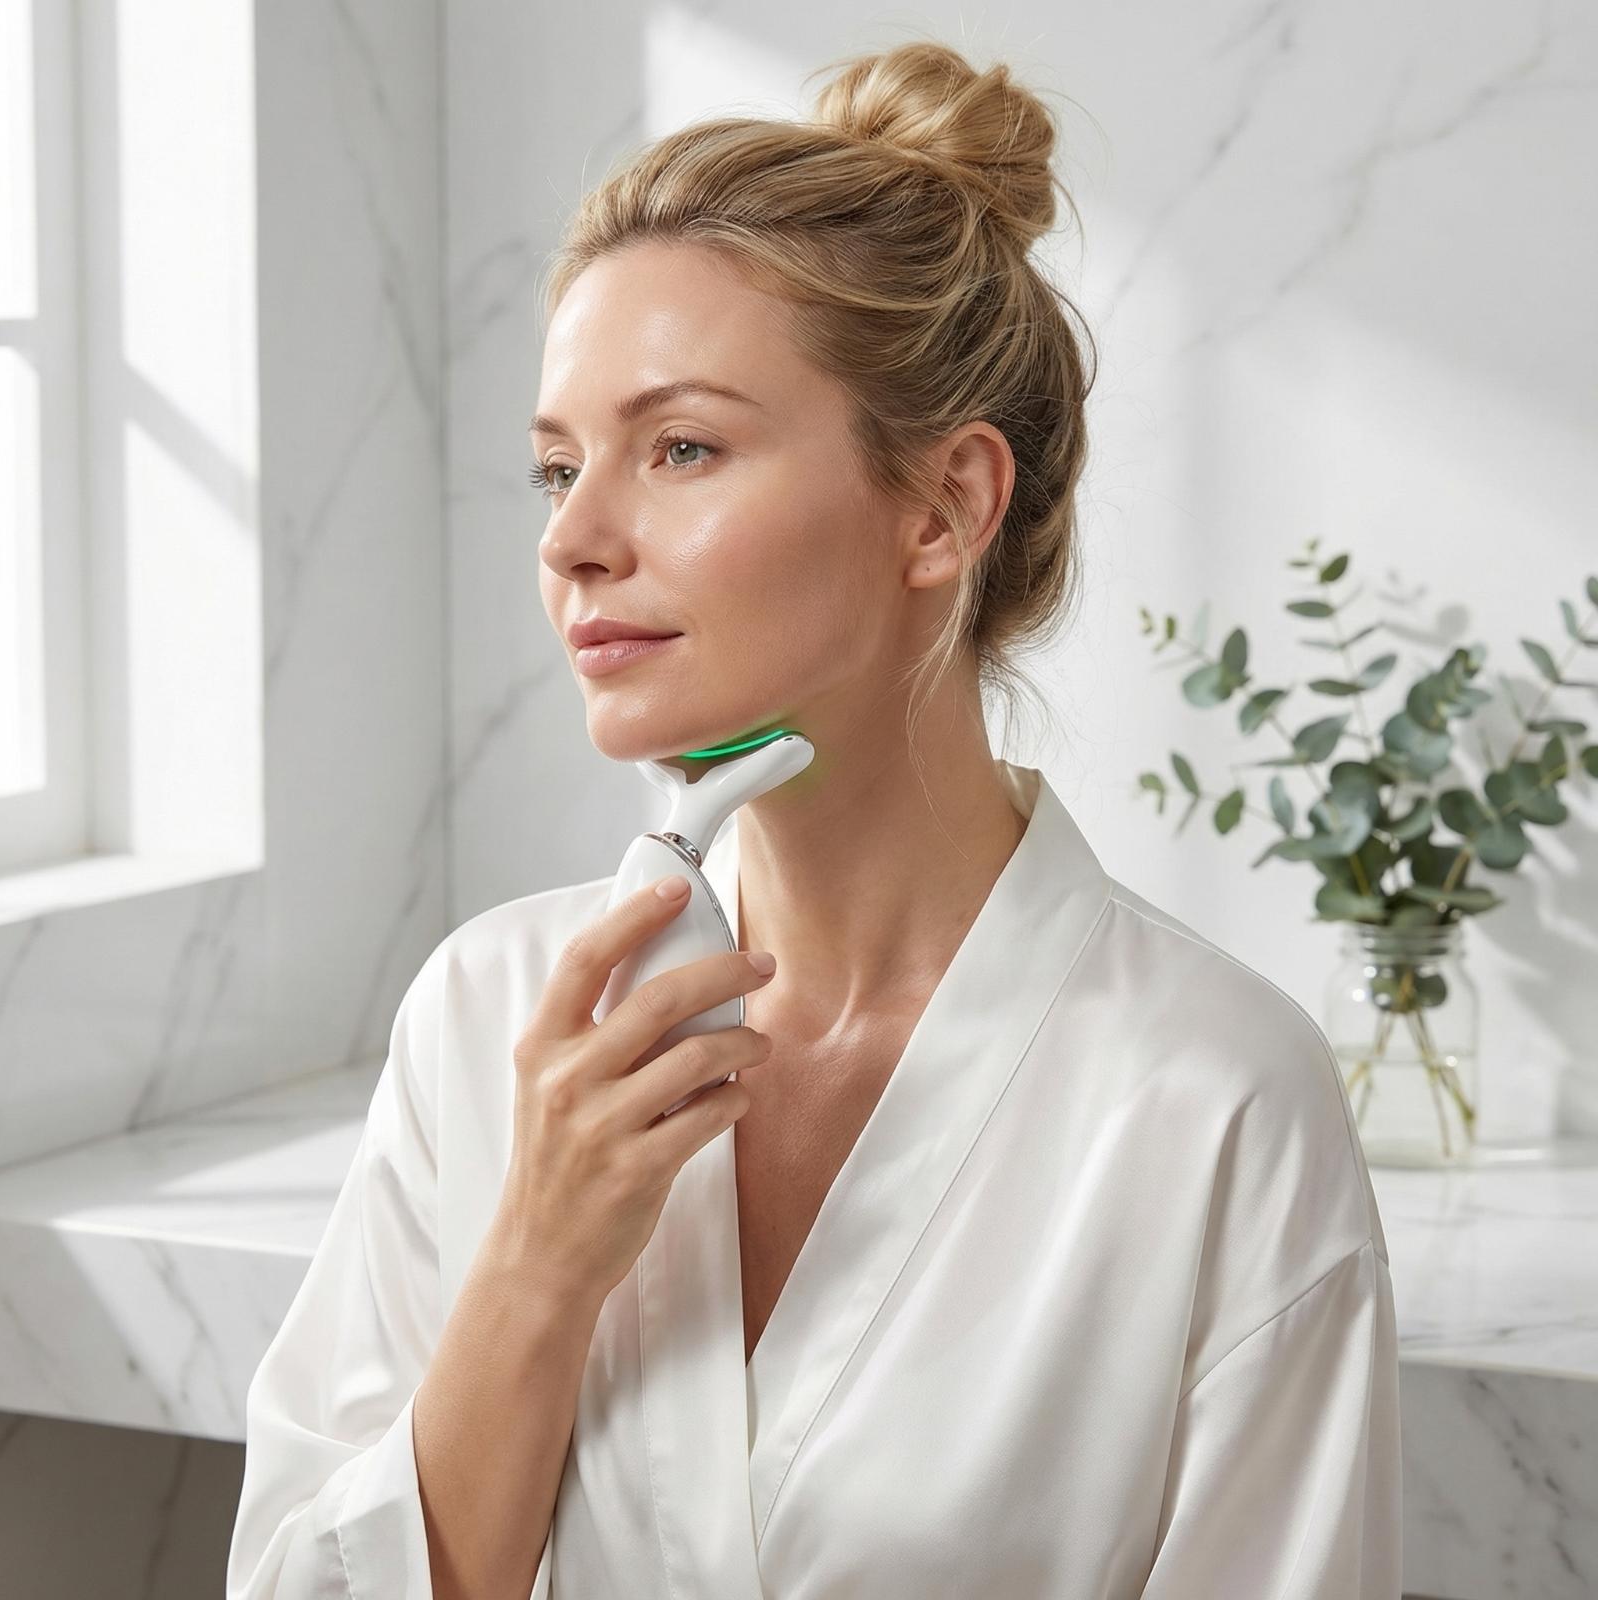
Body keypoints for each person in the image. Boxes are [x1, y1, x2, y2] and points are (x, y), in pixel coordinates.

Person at [227, 37, 1402, 1600]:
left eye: (681, 448)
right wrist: (534, 1270)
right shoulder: (488, 1023)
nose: (574, 540)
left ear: (945, 507)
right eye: (558, 468)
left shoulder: (1211, 1103)